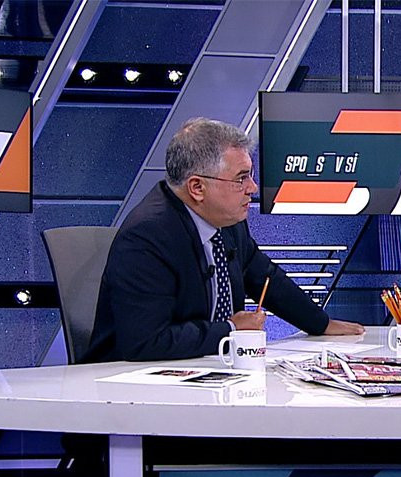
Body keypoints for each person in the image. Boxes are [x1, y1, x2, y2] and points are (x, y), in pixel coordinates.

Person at [85, 118, 363, 363]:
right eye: (241, 178)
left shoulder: (227, 221)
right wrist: (230, 329)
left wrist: (320, 323)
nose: (252, 188)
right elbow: (146, 342)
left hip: (206, 368)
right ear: (197, 187)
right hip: (128, 383)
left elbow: (266, 278)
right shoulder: (147, 237)